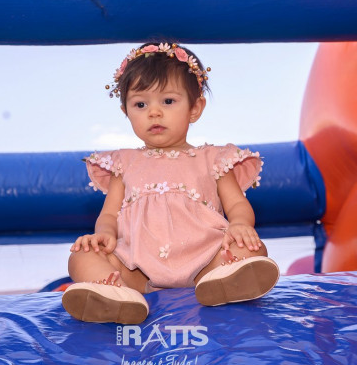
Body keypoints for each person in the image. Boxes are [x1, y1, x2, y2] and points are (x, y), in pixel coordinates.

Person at [62, 42, 279, 324]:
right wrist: (104, 234)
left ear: (195, 108)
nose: (154, 112)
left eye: (167, 101)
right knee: (80, 256)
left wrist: (240, 224)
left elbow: (237, 204)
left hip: (206, 262)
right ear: (126, 111)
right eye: (140, 104)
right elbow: (109, 214)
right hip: (137, 270)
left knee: (251, 249)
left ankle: (222, 281)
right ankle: (117, 293)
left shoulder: (214, 158)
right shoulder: (123, 162)